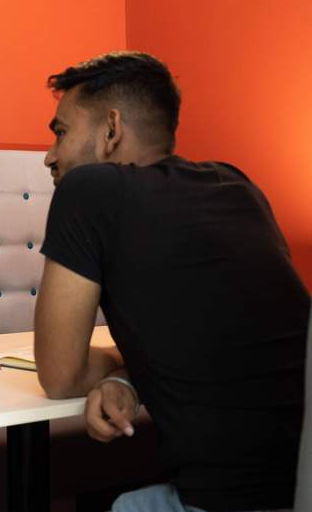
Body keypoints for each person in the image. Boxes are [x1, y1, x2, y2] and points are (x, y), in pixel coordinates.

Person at [34, 51, 310, 511]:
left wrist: (114, 367)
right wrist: (126, 376)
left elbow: (61, 377)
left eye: (61, 132)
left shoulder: (89, 191)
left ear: (111, 131)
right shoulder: (236, 185)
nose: (50, 155)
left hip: (233, 499)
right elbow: (207, 340)